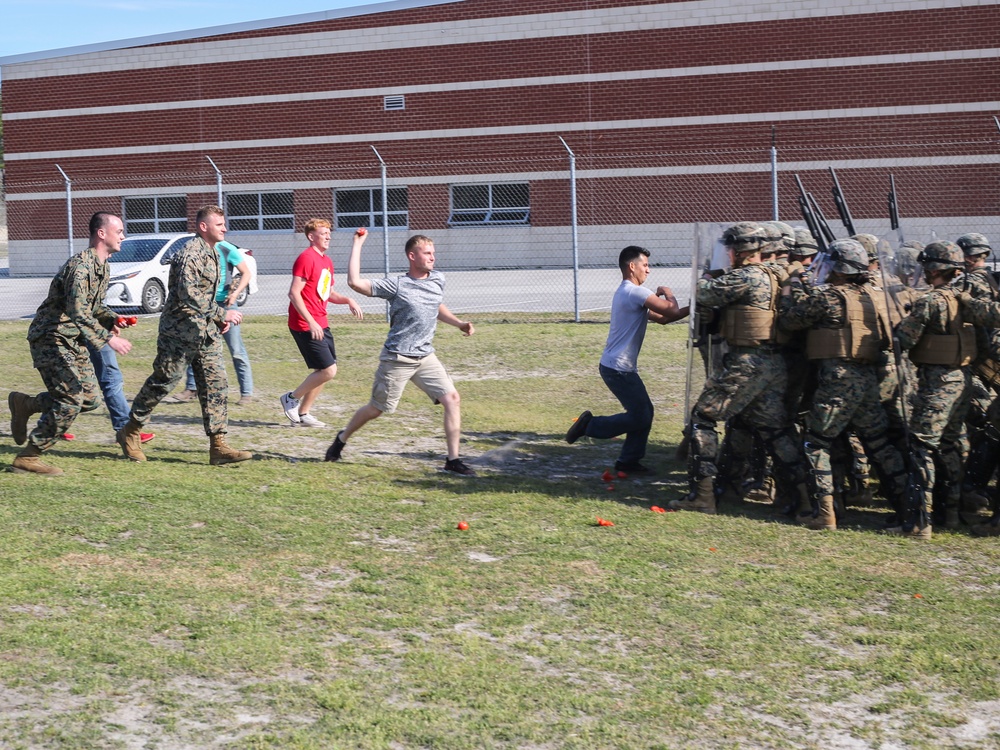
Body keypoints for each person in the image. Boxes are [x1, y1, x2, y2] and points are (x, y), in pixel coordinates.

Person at [672, 222, 810, 515]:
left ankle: (702, 495)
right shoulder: (777, 274)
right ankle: (805, 498)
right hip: (774, 364)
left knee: (703, 418)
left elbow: (704, 293)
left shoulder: (747, 276)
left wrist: (711, 273)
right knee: (777, 430)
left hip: (747, 363)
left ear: (737, 251)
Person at [778, 239, 909, 530]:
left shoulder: (829, 297)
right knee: (879, 443)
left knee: (816, 442)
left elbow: (789, 321)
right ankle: (907, 510)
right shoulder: (873, 294)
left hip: (838, 380)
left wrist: (792, 286)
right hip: (868, 379)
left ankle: (824, 512)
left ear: (837, 268)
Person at [324, 231, 476, 475]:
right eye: (427, 253)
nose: (432, 258)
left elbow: (435, 306)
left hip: (425, 356)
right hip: (398, 358)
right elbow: (355, 283)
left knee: (452, 399)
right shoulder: (396, 285)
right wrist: (357, 244)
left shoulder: (437, 279)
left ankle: (453, 460)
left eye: (433, 253)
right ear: (411, 256)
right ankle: (341, 438)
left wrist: (459, 323)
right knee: (376, 409)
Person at [115, 205, 251, 465]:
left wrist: (214, 320)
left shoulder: (213, 252)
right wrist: (222, 314)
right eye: (219, 224)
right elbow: (189, 294)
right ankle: (130, 431)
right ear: (203, 227)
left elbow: (205, 295)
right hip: (179, 333)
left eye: (224, 223)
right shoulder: (190, 254)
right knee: (163, 382)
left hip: (205, 333)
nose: (225, 228)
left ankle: (218, 445)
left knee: (215, 386)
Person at [7, 212, 134, 475]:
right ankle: (28, 457)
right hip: (50, 338)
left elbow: (94, 306)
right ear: (102, 234)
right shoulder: (80, 267)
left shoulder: (102, 266)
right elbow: (78, 312)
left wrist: (113, 318)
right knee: (70, 399)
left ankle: (26, 404)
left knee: (88, 400)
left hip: (71, 341)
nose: (123, 236)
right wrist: (108, 339)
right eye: (119, 231)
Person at [565, 245, 687, 473]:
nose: (648, 271)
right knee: (641, 414)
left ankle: (628, 461)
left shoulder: (627, 293)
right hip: (618, 368)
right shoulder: (634, 292)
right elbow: (671, 309)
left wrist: (696, 308)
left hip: (616, 366)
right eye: (645, 265)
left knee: (643, 413)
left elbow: (665, 318)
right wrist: (668, 292)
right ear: (632, 266)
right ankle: (590, 426)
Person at [891, 241, 973, 537]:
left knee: (921, 448)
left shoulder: (931, 300)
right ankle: (951, 512)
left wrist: (898, 323)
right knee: (950, 446)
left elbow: (905, 338)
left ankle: (918, 522)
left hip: (937, 383)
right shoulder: (963, 297)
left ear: (933, 269)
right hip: (962, 379)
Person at [279, 218, 363, 427]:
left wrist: (348, 300)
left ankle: (304, 414)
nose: (328, 236)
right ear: (311, 236)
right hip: (304, 324)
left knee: (324, 371)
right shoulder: (306, 258)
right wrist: (311, 322)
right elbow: (294, 293)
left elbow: (328, 292)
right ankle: (291, 398)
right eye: (323, 233)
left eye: (329, 233)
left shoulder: (326, 261)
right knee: (328, 370)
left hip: (320, 321)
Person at [167, 240, 255, 405]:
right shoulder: (194, 248)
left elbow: (246, 273)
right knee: (195, 344)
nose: (223, 229)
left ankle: (246, 392)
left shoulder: (226, 248)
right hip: (204, 305)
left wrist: (235, 294)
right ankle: (191, 388)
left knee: (236, 349)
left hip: (226, 305)